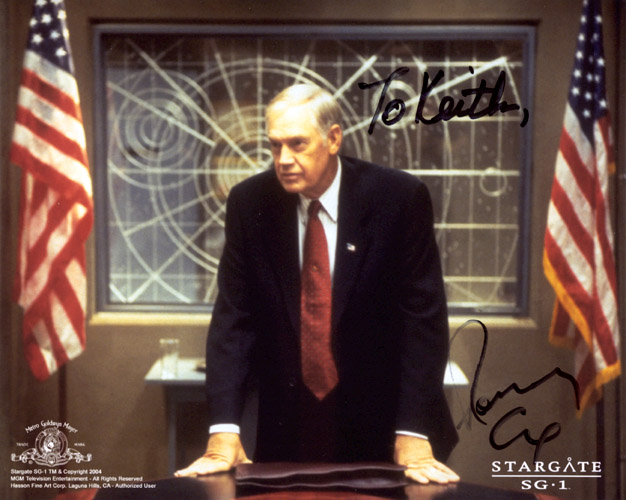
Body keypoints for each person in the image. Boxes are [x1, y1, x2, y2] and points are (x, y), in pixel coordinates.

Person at [176, 83, 459, 484]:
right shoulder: (249, 202)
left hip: (384, 419)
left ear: (333, 139)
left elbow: (422, 323)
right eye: (275, 146)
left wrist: (413, 431)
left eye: (297, 144)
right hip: (285, 422)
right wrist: (223, 431)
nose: (283, 160)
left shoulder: (398, 198)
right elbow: (233, 322)